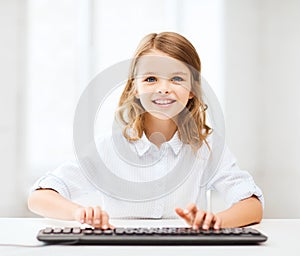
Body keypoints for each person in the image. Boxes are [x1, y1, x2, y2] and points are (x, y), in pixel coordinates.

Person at [28, 32, 264, 230]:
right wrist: (80, 213)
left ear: (192, 89)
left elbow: (252, 205)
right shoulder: (108, 148)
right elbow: (38, 197)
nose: (163, 89)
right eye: (151, 79)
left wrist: (216, 221)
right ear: (135, 88)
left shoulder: (206, 147)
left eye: (177, 78)